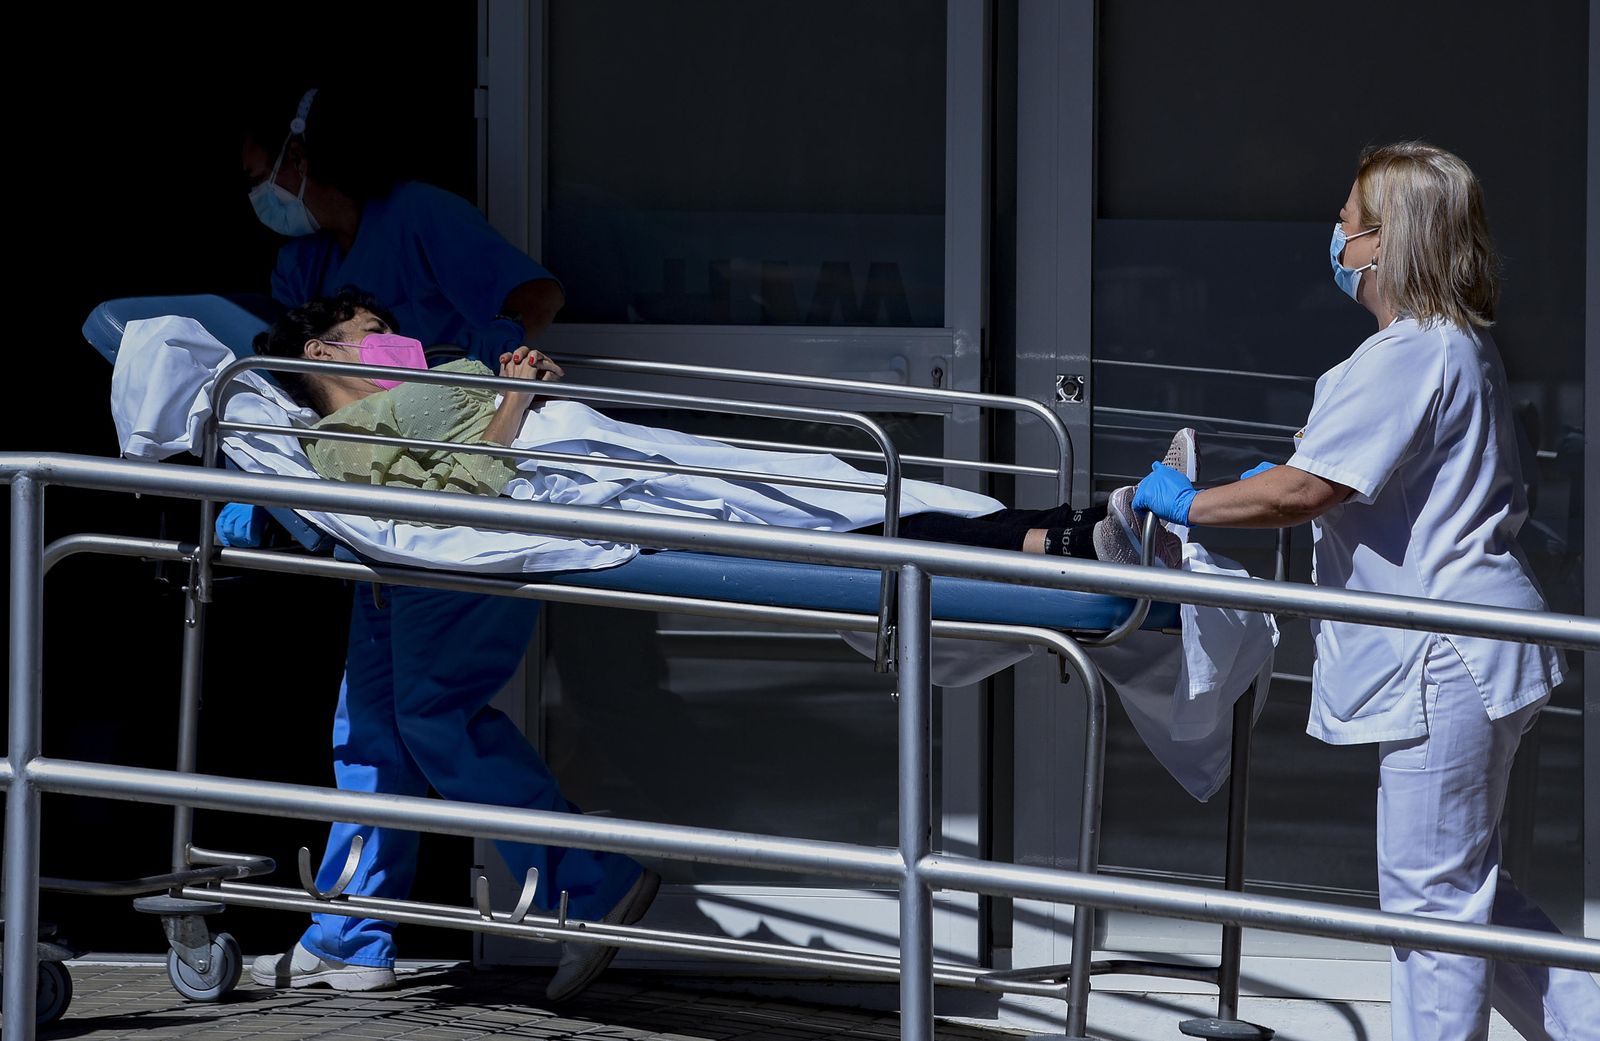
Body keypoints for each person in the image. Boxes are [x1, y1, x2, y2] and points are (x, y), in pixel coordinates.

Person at [1131, 142, 1599, 1041]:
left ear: (1389, 243)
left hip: (1444, 655)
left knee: (1428, 908)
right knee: (1464, 895)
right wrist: (1266, 482)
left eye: (1347, 221)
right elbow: (1333, 476)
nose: (1336, 236)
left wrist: (1190, 503)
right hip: (1473, 648)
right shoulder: (1446, 349)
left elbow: (1308, 490)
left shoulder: (1413, 352)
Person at [234, 83, 645, 1004]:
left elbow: (533, 293)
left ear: (303, 158)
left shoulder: (417, 216)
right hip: (388, 512)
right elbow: (295, 383)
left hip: (459, 485)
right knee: (370, 727)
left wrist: (475, 385)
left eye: (262, 175)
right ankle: (352, 931)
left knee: (431, 714)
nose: (259, 194)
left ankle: (597, 882)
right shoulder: (309, 270)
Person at [255, 288, 1190, 566]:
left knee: (852, 490)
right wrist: (515, 400)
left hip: (609, 445)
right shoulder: (342, 440)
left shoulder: (413, 384)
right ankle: (1072, 536)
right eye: (374, 335)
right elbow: (472, 488)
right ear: (325, 358)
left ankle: (1086, 524)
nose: (398, 342)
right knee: (838, 522)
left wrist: (513, 380)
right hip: (581, 473)